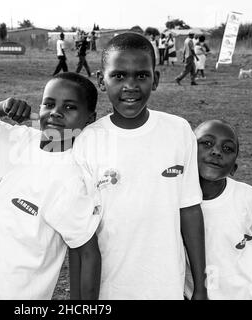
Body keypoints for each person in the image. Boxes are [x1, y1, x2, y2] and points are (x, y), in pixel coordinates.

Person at [72, 32, 208, 300]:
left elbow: (190, 210)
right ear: (101, 80)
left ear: (155, 79)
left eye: (141, 76)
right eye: (119, 76)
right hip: (109, 287)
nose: (130, 85)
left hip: (167, 286)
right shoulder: (88, 140)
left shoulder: (178, 131)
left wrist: (201, 287)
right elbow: (78, 233)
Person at [0, 72, 101, 300]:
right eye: (48, 104)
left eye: (69, 108)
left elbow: (87, 252)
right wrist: (3, 107)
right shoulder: (22, 141)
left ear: (90, 118)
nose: (55, 113)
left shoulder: (70, 178)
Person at [185, 119, 252, 299]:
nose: (216, 151)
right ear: (187, 152)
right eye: (206, 143)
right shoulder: (172, 200)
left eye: (227, 149)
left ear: (234, 168)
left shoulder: (246, 196)